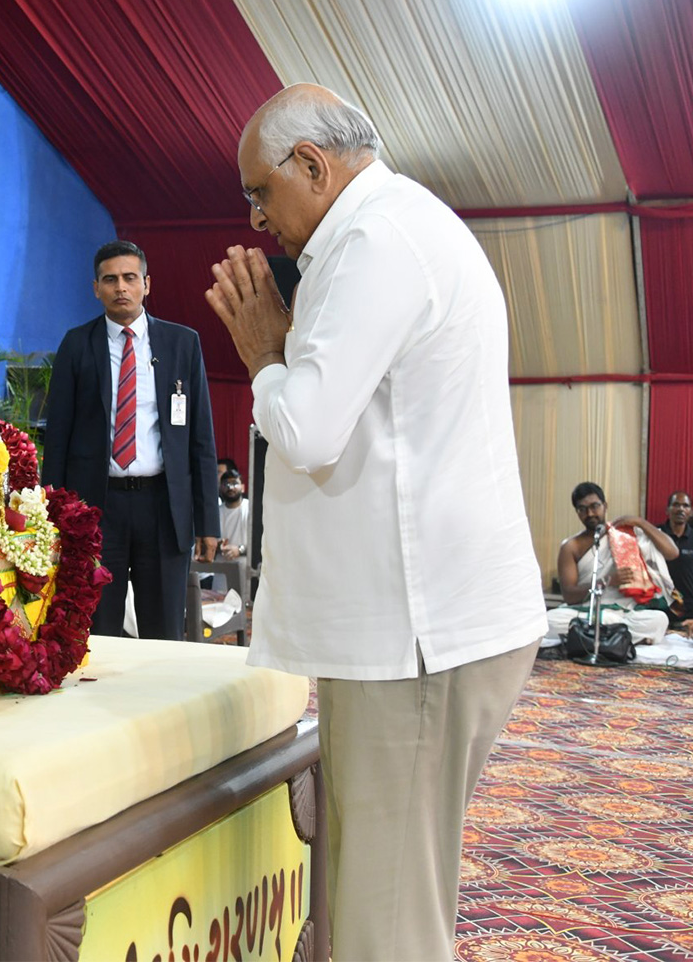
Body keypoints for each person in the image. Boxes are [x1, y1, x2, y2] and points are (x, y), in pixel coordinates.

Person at [205, 84, 547, 962]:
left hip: (419, 634)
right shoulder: (384, 228)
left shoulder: (374, 239)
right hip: (412, 628)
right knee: (377, 885)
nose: (254, 217)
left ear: (312, 166)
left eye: (259, 192)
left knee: (384, 917)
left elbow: (312, 428)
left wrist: (264, 356)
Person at [42, 240, 219, 640]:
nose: (120, 287)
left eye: (129, 278)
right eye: (110, 279)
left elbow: (201, 439)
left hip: (163, 508)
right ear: (96, 288)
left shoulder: (182, 344)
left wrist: (208, 521)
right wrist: (53, 514)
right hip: (97, 509)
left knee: (164, 631)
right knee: (95, 630)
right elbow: (58, 437)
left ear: (146, 284)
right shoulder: (76, 345)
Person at [551, 482, 674, 644]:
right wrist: (607, 581)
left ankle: (588, 638)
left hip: (623, 613)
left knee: (659, 619)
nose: (590, 513)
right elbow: (569, 595)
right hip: (587, 611)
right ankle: (618, 638)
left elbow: (672, 552)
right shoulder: (571, 546)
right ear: (577, 512)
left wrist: (640, 522)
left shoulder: (625, 534)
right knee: (549, 621)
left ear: (605, 506)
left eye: (595, 506)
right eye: (582, 509)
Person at [658, 490, 693, 617]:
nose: (681, 509)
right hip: (660, 605)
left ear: (690, 511)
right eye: (676, 505)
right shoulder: (656, 534)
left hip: (689, 608)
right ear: (667, 510)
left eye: (685, 506)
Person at [216, 465, 249, 562]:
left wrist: (239, 550)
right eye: (226, 484)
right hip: (221, 571)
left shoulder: (250, 508)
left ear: (243, 488)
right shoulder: (216, 513)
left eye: (234, 483)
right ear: (220, 488)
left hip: (245, 570)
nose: (230, 488)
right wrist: (216, 546)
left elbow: (261, 544)